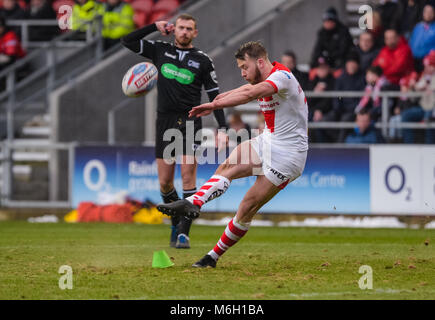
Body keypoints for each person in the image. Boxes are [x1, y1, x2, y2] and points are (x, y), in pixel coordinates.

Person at [157, 41, 308, 268]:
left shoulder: (282, 78)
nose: (243, 73)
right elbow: (241, 90)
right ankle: (193, 202)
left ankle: (212, 257)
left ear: (259, 61)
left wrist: (215, 106)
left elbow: (248, 93)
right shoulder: (264, 78)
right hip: (268, 140)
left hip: (289, 155)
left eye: (244, 67)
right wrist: (215, 102)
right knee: (227, 166)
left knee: (247, 207)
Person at [121, 14, 228, 249]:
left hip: (190, 122)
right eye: (181, 28)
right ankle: (175, 220)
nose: (184, 32)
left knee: (188, 174)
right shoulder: (159, 50)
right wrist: (153, 27)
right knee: (165, 184)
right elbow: (127, 40)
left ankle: (183, 233)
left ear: (195, 33)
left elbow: (215, 96)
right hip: (164, 122)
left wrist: (222, 128)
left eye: (189, 28)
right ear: (174, 30)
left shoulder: (203, 60)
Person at [401, 49, 435, 143]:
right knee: (406, 115)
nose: (427, 68)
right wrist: (412, 88)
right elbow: (413, 97)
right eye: (426, 66)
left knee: (429, 118)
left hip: (432, 109)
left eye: (429, 66)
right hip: (423, 107)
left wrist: (428, 88)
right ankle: (409, 146)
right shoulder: (424, 77)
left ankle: (430, 147)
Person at [333, 52, 366, 142]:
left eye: (353, 63)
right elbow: (337, 96)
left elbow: (362, 98)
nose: (351, 65)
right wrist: (338, 109)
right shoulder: (341, 78)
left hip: (354, 111)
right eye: (349, 63)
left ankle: (339, 147)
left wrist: (353, 109)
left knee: (345, 120)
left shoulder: (363, 78)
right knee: (324, 121)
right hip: (341, 110)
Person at [310, 6, 354, 71]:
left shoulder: (343, 31)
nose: (326, 23)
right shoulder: (322, 32)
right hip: (328, 59)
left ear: (334, 21)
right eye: (325, 21)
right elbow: (317, 49)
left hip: (340, 60)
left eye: (329, 21)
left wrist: (328, 57)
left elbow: (343, 50)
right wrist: (321, 58)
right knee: (314, 64)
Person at [307, 56, 335, 142]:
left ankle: (321, 147)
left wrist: (320, 109)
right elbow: (307, 101)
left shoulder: (333, 81)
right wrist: (315, 93)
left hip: (328, 111)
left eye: (324, 68)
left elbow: (331, 100)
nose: (321, 70)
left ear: (328, 68)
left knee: (319, 122)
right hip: (313, 111)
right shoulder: (313, 81)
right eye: (319, 68)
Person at [409, 3, 435, 72]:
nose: (428, 14)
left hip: (429, 62)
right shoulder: (418, 27)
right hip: (413, 61)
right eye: (426, 11)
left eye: (431, 12)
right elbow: (411, 42)